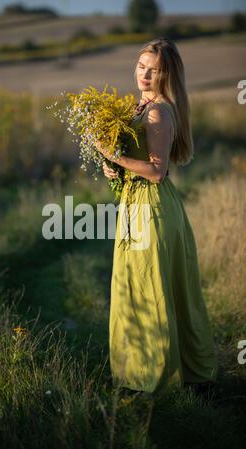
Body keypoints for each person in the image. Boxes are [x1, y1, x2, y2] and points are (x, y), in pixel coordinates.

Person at [97, 37, 218, 398]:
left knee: (151, 289)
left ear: (168, 75)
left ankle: (157, 378)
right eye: (141, 66)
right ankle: (144, 371)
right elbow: (139, 160)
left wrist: (113, 156)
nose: (145, 74)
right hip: (136, 205)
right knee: (138, 287)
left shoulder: (157, 111)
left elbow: (156, 171)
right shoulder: (141, 106)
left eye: (155, 70)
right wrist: (111, 166)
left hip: (152, 207)